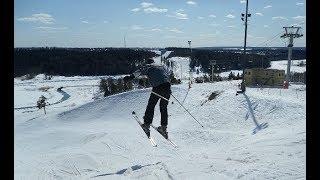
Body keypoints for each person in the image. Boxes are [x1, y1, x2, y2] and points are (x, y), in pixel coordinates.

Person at [124, 58, 172, 138]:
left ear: (148, 62)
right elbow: (168, 73)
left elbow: (139, 72)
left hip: (158, 88)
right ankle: (164, 128)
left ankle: (146, 125)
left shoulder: (148, 66)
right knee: (163, 108)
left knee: (151, 105)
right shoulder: (161, 66)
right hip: (167, 87)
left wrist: (130, 77)